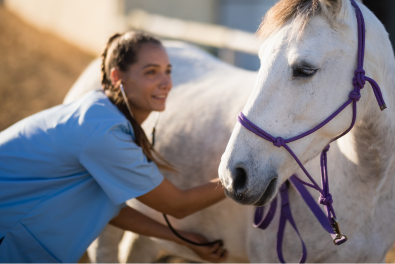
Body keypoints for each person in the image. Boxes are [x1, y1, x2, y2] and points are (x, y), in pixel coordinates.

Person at [0, 31, 228, 263]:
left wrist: (180, 238)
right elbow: (177, 205)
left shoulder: (100, 113)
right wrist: (238, 176)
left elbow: (108, 210)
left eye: (167, 71)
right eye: (151, 72)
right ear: (118, 77)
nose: (166, 83)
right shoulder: (103, 133)